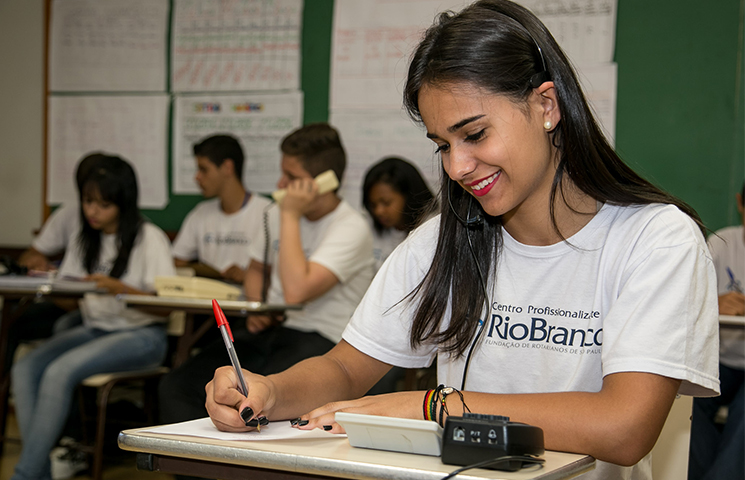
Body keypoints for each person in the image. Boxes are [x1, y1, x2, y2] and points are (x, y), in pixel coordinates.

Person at [204, 2, 720, 479]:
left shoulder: (656, 240)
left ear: (546, 106)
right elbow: (344, 367)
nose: (456, 167)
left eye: (474, 135)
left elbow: (623, 428)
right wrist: (271, 390)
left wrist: (433, 404)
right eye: (441, 145)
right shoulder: (442, 240)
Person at [159, 123, 374, 426]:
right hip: (273, 329)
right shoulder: (273, 213)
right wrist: (256, 304)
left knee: (258, 399)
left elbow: (297, 291)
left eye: (292, 177)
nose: (281, 183)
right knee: (178, 387)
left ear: (323, 182)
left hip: (322, 339)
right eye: (282, 173)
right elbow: (258, 269)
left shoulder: (350, 227)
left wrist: (290, 215)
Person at [10, 155, 176, 480]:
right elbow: (72, 303)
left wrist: (118, 288)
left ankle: (25, 474)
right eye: (88, 202)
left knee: (59, 372)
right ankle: (37, 471)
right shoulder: (85, 237)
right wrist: (47, 282)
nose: (93, 212)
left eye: (104, 204)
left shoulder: (149, 238)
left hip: (142, 336)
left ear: (123, 203)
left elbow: (166, 307)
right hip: (96, 329)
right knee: (26, 367)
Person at [5, 153, 108, 373]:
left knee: (65, 327)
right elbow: (32, 254)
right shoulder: (70, 215)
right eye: (87, 196)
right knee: (12, 321)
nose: (92, 209)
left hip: (93, 309)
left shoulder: (119, 231)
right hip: (63, 299)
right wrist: (36, 263)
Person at [688, 182, 744, 480]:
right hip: (719, 362)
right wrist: (715, 302)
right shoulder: (722, 243)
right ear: (740, 204)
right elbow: (688, 294)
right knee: (690, 405)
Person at [172, 134, 271, 283]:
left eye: (204, 170)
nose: (197, 177)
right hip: (209, 301)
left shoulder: (268, 213)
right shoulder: (201, 213)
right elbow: (177, 261)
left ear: (227, 167)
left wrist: (249, 276)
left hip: (248, 300)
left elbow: (283, 272)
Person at [362, 156, 436, 272]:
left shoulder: (433, 228)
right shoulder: (368, 226)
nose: (378, 211)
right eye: (373, 205)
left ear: (409, 197)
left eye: (386, 203)